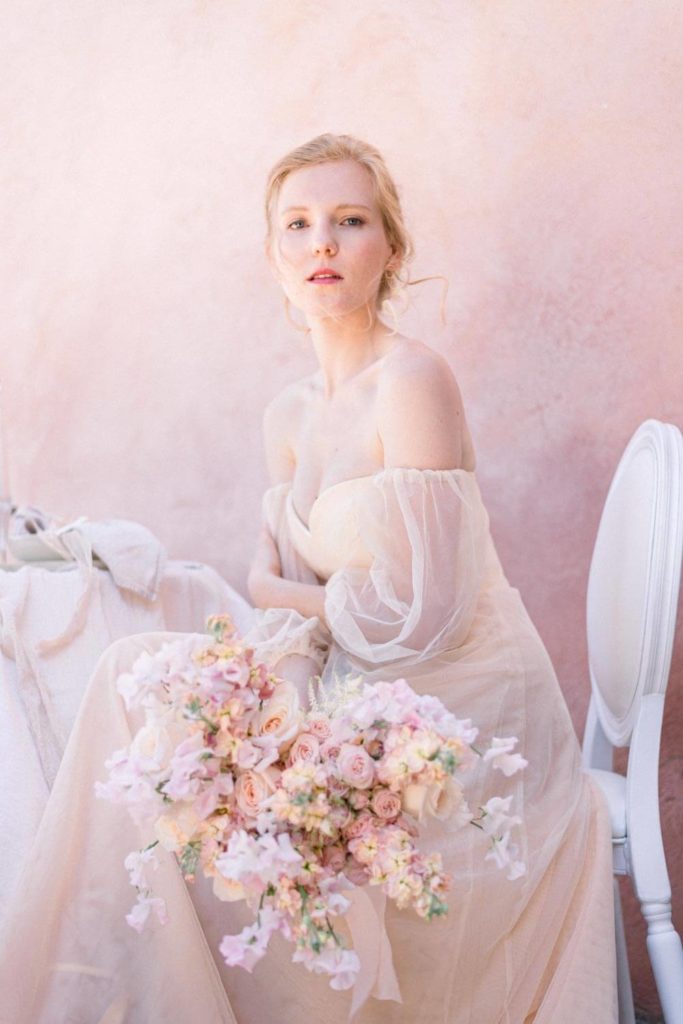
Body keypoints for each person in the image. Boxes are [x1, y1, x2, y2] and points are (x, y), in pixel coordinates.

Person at [0, 133, 618, 1023]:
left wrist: (277, 596)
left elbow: (422, 618)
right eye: (297, 224)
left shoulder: (411, 381)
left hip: (456, 712)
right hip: (352, 683)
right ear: (274, 257)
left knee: (176, 732)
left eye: (349, 221)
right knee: (128, 682)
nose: (320, 243)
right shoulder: (286, 416)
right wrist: (278, 620)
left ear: (390, 251)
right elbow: (301, 591)